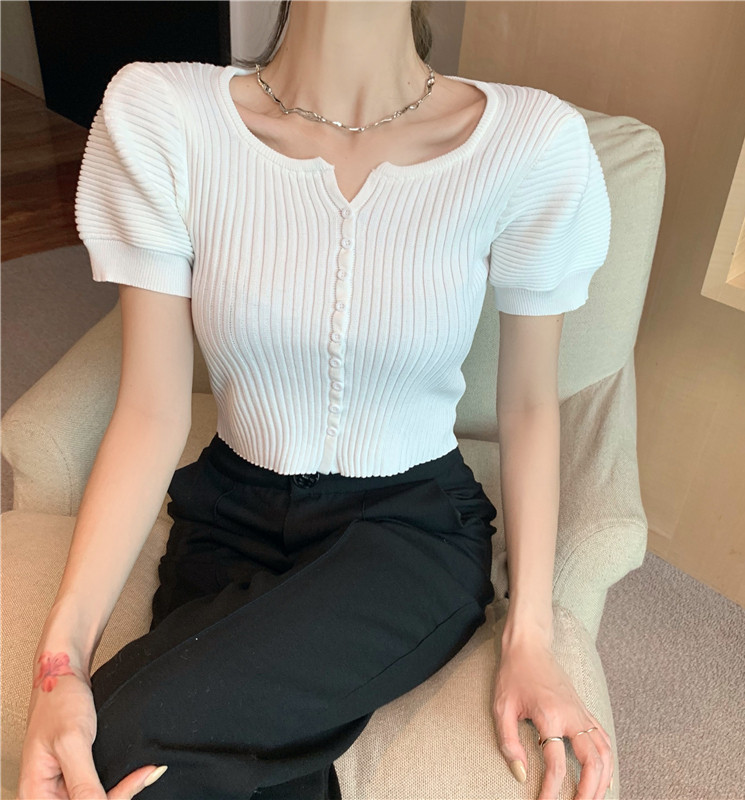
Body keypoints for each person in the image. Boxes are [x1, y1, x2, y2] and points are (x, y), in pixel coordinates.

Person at [16, 1, 615, 798]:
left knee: (122, 739)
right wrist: (61, 664)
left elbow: (531, 406)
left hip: (412, 533)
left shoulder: (529, 142)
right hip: (230, 514)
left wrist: (530, 636)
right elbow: (152, 409)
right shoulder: (165, 115)